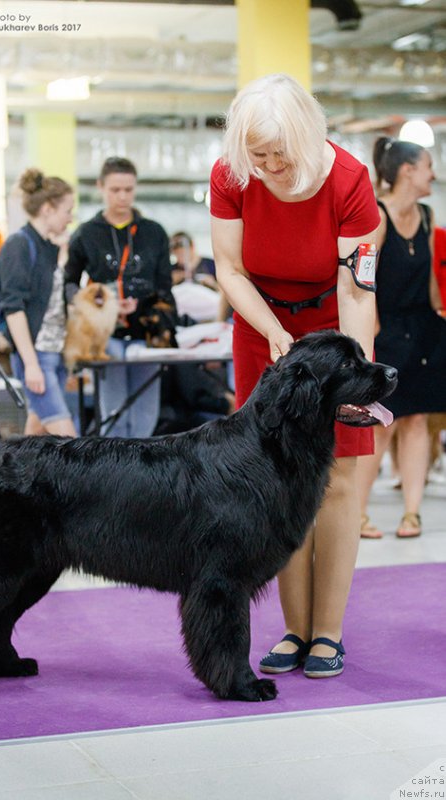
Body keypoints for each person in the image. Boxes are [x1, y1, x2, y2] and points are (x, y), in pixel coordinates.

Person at [210, 73, 380, 678]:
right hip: (262, 327)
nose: (272, 167)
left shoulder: (349, 180)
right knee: (274, 476)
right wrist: (273, 331)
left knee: (336, 481)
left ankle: (327, 632)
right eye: (260, 156)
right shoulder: (232, 174)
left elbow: (358, 291)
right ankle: (292, 628)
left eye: (281, 154)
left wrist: (351, 378)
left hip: (335, 325)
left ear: (308, 138)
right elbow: (228, 268)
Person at [356, 137, 446, 539]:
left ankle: (412, 513)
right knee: (382, 423)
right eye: (428, 165)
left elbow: (429, 282)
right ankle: (358, 513)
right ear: (408, 171)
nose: (433, 173)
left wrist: (439, 317)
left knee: (417, 421)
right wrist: (369, 330)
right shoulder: (376, 216)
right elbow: (361, 277)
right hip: (385, 329)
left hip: (423, 328)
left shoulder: (427, 217)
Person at [65, 156, 174, 437]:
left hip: (147, 336)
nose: (122, 197)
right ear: (101, 187)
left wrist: (147, 307)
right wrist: (98, 309)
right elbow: (69, 284)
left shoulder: (154, 233)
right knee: (113, 412)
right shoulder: (86, 234)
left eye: (129, 189)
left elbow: (165, 285)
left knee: (146, 413)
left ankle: (141, 477)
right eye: (115, 190)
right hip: (106, 337)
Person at [0, 168, 77, 437]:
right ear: (47, 209)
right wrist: (30, 363)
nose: (70, 218)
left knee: (37, 435)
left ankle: (18, 481)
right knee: (70, 446)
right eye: (67, 210)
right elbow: (14, 307)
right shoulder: (19, 245)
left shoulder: (47, 247)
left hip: (54, 354)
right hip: (37, 355)